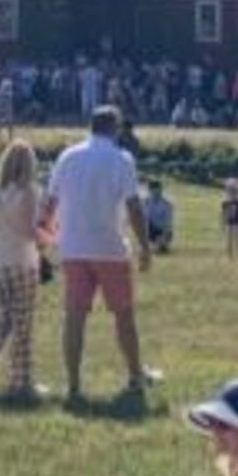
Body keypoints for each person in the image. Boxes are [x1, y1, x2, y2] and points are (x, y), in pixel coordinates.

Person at [40, 104, 155, 409]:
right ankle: (134, 375)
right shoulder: (122, 159)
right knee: (124, 316)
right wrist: (145, 246)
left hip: (73, 248)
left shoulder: (67, 156)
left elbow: (50, 203)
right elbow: (133, 207)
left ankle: (74, 383)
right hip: (110, 248)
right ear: (115, 128)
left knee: (75, 317)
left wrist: (45, 241)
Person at [0, 140, 44, 405]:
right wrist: (50, 239)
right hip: (21, 262)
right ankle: (20, 380)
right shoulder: (29, 192)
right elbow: (29, 231)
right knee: (22, 323)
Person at [219, 177, 238, 261]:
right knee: (228, 242)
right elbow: (222, 214)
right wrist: (222, 224)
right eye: (229, 188)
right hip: (228, 224)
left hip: (237, 224)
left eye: (233, 189)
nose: (231, 191)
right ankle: (229, 257)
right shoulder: (225, 201)